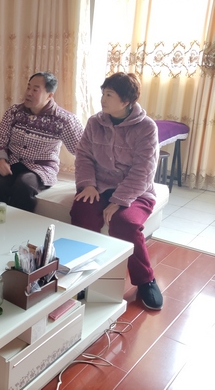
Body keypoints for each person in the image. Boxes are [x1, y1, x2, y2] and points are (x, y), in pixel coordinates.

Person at [70, 72, 163, 310]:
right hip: (99, 185)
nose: (103, 99)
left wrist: (120, 200)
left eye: (109, 95)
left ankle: (146, 280)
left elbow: (144, 171)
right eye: (103, 93)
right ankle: (80, 273)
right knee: (82, 212)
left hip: (136, 191)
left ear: (126, 100)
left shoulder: (146, 128)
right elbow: (83, 156)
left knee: (124, 222)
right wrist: (88, 184)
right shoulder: (95, 122)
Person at [0, 72, 84, 212]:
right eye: (28, 87)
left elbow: (82, 150)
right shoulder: (14, 111)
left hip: (40, 167)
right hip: (10, 162)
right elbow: (0, 137)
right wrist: (1, 161)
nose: (29, 93)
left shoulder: (63, 120)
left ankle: (17, 224)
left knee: (24, 185)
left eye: (35, 90)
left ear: (49, 95)